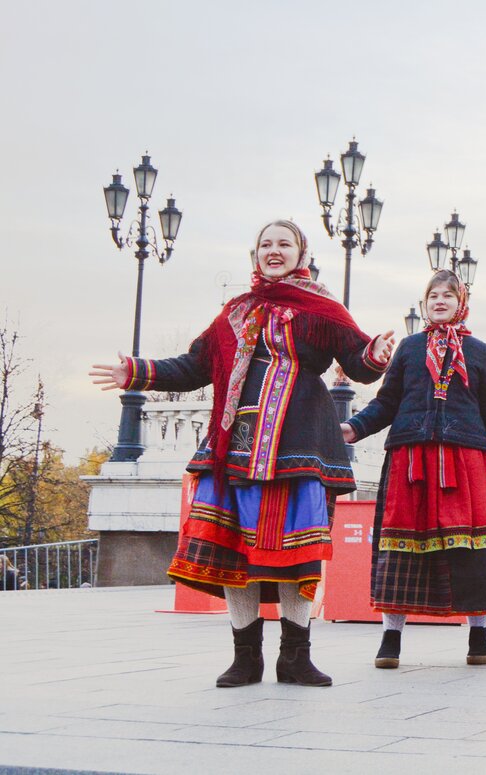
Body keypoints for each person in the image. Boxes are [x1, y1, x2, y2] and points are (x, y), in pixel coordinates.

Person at [89, 219, 395, 688]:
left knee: (299, 555)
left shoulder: (322, 308)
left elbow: (357, 362)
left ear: (301, 252)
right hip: (236, 448)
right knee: (240, 553)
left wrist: (375, 352)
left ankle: (296, 658)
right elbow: (195, 365)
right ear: (255, 255)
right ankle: (245, 658)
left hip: (299, 447)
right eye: (265, 244)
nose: (274, 251)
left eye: (284, 244)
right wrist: (136, 371)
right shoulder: (235, 312)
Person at [343, 269, 486, 668]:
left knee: (471, 548)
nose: (440, 300)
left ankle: (478, 634)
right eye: (433, 295)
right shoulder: (409, 350)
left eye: (448, 294)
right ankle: (390, 638)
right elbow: (386, 404)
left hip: (465, 461)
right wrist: (352, 428)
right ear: (425, 304)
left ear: (461, 303)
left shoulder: (479, 351)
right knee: (400, 547)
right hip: (411, 459)